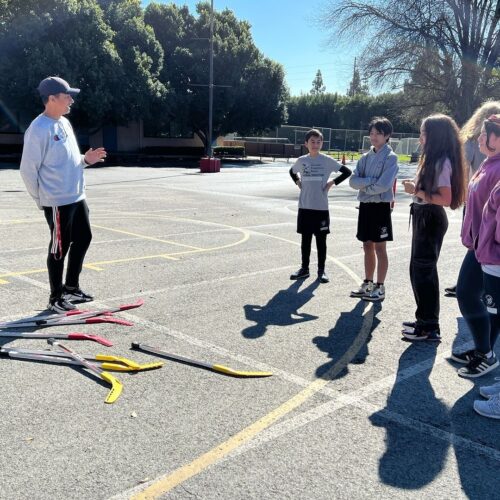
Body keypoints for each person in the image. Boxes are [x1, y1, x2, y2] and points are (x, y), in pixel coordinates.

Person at [20, 76, 106, 312]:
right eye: (67, 95)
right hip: (57, 201)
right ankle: (56, 297)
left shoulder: (64, 123)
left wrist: (85, 160)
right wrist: (42, 200)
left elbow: (68, 160)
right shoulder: (38, 129)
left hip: (77, 196)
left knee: (84, 237)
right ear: (51, 98)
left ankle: (71, 288)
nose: (71, 100)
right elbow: (28, 170)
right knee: (59, 248)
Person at [401, 114, 466, 341]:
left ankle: (429, 326)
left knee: (424, 272)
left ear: (435, 136)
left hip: (430, 218)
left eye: (423, 132)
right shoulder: (432, 159)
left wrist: (415, 191)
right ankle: (424, 319)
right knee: (418, 270)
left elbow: (445, 198)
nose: (420, 137)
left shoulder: (442, 161)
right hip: (423, 215)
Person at [453, 114, 500, 378]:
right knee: (477, 297)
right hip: (480, 247)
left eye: (486, 134)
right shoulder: (489, 163)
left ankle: (486, 352)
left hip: (492, 251)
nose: (480, 138)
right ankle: (485, 349)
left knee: (468, 294)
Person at [445, 101, 500, 297]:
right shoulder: (478, 147)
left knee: (473, 289)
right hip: (479, 207)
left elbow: (462, 168)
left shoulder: (477, 147)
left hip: (484, 214)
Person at [289, 129, 351, 283]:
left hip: (321, 208)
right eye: (312, 142)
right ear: (306, 144)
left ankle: (321, 270)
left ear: (322, 143)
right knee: (305, 240)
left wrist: (332, 182)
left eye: (318, 142)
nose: (315, 145)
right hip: (305, 206)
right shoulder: (302, 160)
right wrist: (297, 181)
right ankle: (304, 269)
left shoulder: (327, 160)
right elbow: (292, 172)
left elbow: (347, 171)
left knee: (321, 241)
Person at [349, 117, 399, 302]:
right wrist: (370, 182)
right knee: (366, 245)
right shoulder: (365, 157)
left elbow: (384, 185)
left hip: (380, 208)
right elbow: (353, 181)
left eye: (378, 133)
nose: (374, 136)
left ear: (387, 136)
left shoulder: (390, 158)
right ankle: (368, 283)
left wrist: (365, 187)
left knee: (380, 248)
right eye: (371, 133)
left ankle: (380, 286)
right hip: (365, 207)